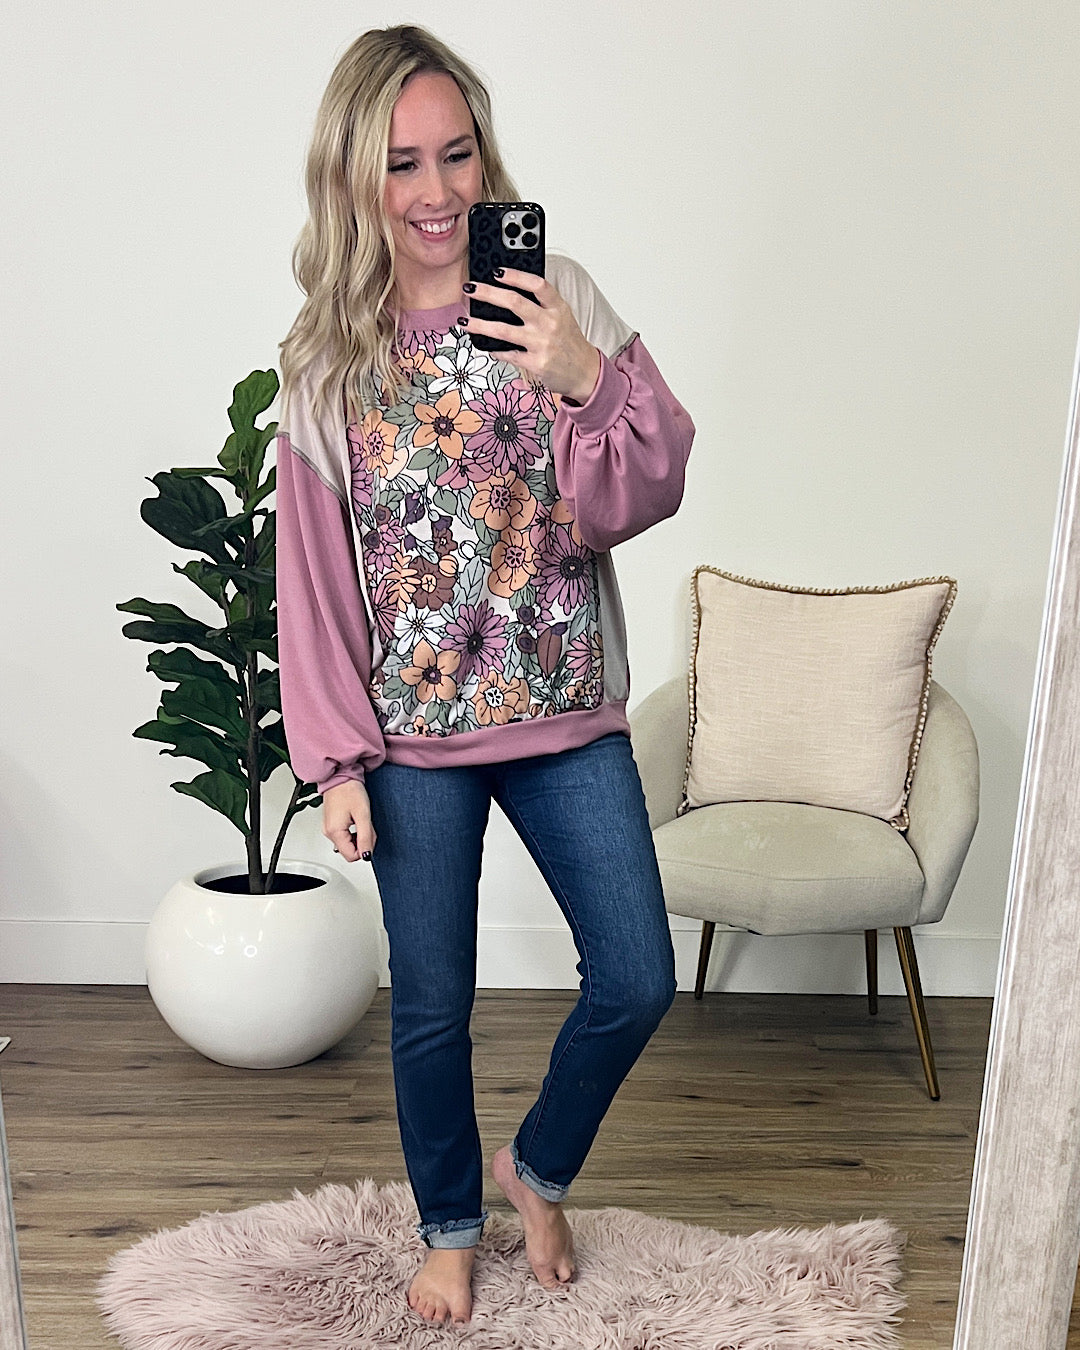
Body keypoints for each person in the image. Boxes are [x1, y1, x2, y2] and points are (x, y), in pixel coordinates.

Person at [275, 24, 695, 1328]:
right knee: (431, 1010)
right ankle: (451, 1225)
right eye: (403, 163)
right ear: (355, 177)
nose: (438, 190)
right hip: (413, 743)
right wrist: (336, 762)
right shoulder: (325, 362)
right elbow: (314, 577)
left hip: (568, 710)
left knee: (637, 975)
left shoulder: (555, 293)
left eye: (457, 154)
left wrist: (582, 376)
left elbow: (651, 482)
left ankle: (539, 1169)